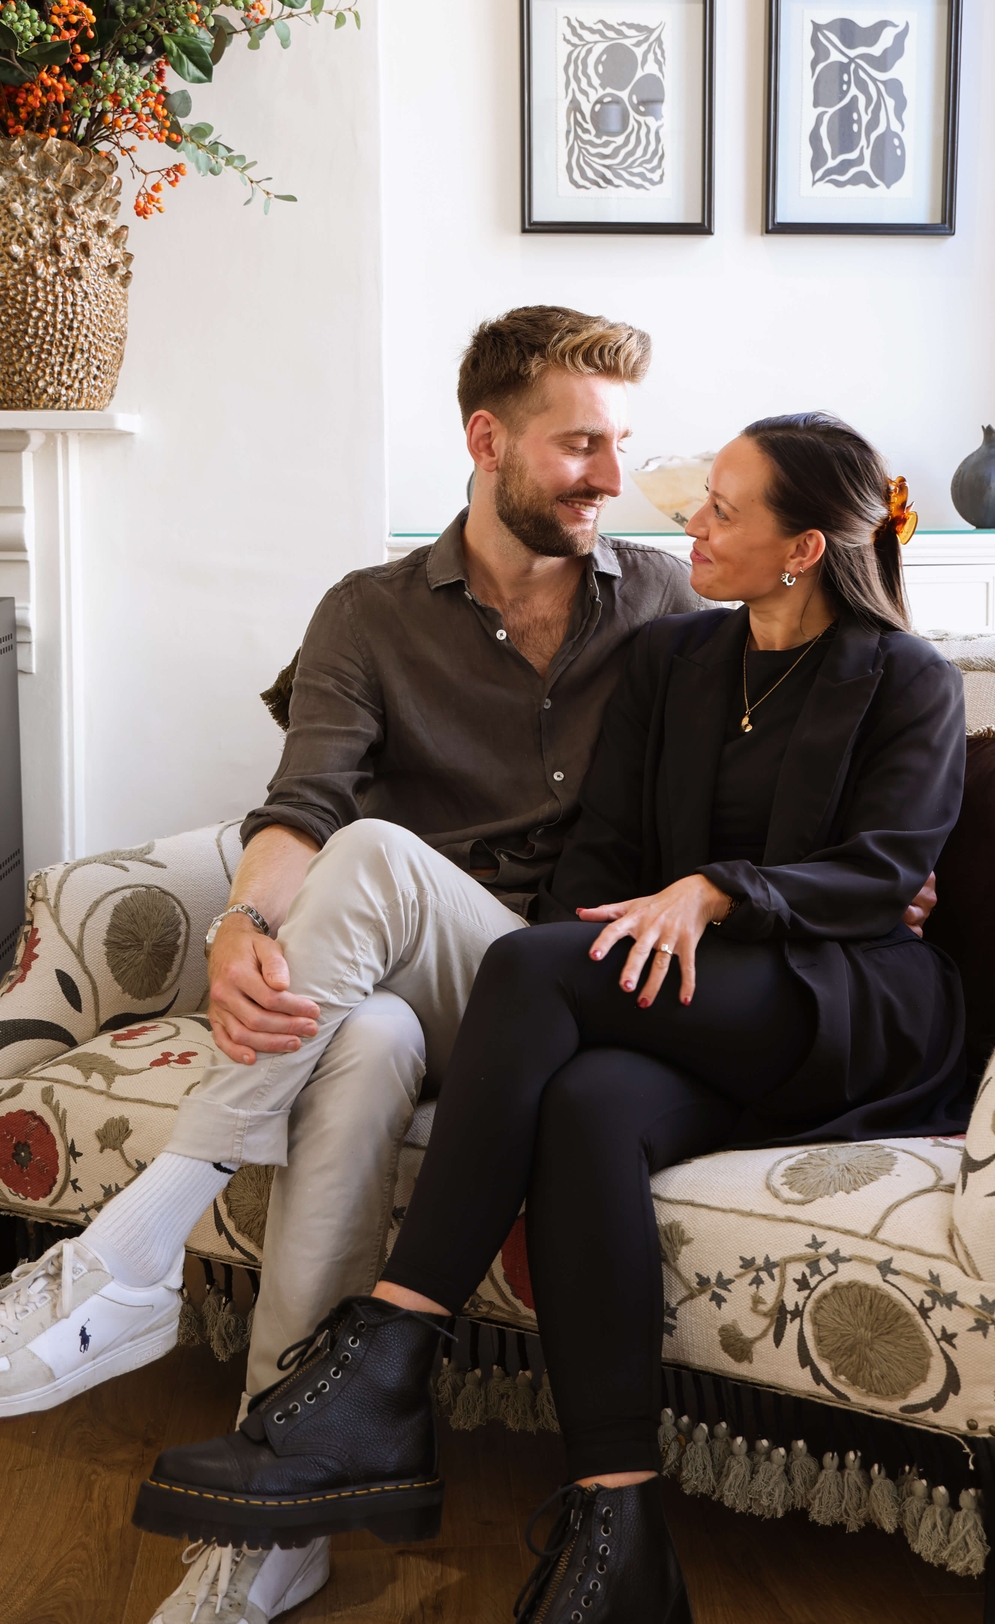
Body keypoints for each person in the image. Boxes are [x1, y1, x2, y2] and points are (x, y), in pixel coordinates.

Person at [131, 413, 966, 1624]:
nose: (691, 523)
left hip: (841, 996)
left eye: (724, 509)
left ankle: (389, 1358)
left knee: (527, 970)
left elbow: (891, 867)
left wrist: (721, 888)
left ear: (803, 549)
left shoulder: (907, 677)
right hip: (688, 1001)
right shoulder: (678, 658)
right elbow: (605, 855)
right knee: (587, 1102)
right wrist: (605, 945)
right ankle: (619, 1535)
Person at [0, 306, 729, 1624]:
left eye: (622, 446)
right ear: (486, 439)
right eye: (580, 446)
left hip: (565, 992)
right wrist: (239, 927)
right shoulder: (371, 612)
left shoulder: (669, 604)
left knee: (387, 862)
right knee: (369, 1043)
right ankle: (283, 1510)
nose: (612, 479)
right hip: (427, 1000)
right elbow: (303, 807)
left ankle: (135, 1246)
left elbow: (810, 698)